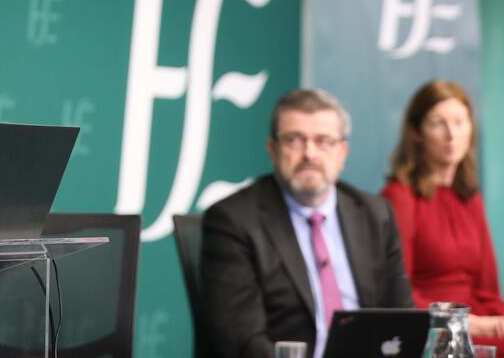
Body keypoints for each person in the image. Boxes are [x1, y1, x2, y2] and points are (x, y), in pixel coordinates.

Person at [201, 88, 413, 358]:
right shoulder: (234, 220)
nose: (310, 154)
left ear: (342, 152)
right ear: (273, 150)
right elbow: (242, 341)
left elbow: (402, 317)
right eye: (294, 140)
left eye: (323, 141)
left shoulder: (375, 214)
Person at [382, 80, 504, 351]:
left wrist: (496, 324)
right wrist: (468, 324)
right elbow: (398, 294)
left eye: (460, 122)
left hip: (478, 329)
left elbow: (488, 290)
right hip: (429, 332)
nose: (452, 134)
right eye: (438, 123)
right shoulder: (400, 196)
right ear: (416, 132)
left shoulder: (470, 198)